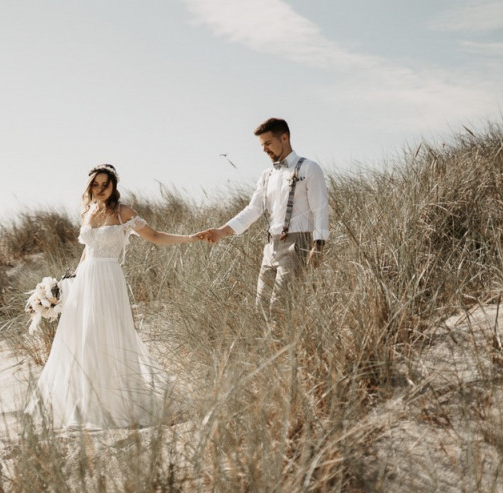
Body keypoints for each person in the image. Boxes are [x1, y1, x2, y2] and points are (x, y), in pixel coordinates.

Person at [26, 164, 201, 430]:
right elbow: (87, 250)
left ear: (113, 186)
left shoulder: (124, 213)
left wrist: (190, 238)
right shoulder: (87, 212)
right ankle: (85, 403)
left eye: (105, 184)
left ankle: (118, 403)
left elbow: (154, 236)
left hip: (109, 279)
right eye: (95, 185)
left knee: (110, 336)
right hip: (86, 279)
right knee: (84, 339)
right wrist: (66, 283)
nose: (99, 189)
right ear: (89, 187)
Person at [199, 118, 329, 311]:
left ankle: (288, 341)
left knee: (281, 308)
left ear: (284, 138)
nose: (264, 150)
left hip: (297, 244)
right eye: (262, 145)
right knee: (260, 308)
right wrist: (221, 231)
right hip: (271, 247)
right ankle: (270, 342)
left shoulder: (309, 168)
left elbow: (320, 208)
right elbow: (253, 209)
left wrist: (318, 245)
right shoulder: (267, 174)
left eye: (268, 143)